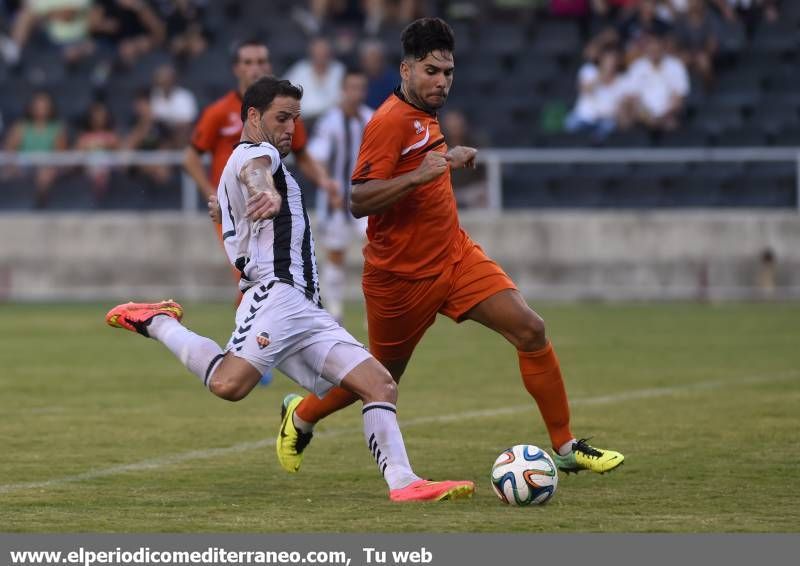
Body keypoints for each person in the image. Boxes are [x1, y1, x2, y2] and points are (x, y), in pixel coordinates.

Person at [276, 17, 625, 476]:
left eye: (448, 73)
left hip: (455, 257)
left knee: (530, 329)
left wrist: (444, 162)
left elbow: (424, 166)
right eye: (431, 72)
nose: (442, 82)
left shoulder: (424, 114)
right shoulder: (388, 122)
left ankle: (564, 445)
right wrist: (426, 171)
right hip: (400, 278)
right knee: (382, 378)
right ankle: (302, 415)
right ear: (405, 70)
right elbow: (360, 198)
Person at [105, 76, 474, 502]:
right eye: (282, 118)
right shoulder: (254, 154)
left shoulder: (248, 164)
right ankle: (158, 322)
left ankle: (404, 483)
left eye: (295, 120)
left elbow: (236, 226)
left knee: (379, 383)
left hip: (304, 307)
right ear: (253, 117)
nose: (289, 129)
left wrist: (229, 212)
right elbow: (255, 171)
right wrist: (267, 193)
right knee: (230, 385)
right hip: (276, 297)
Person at [307, 69, 374, 323]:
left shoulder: (371, 118)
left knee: (375, 252)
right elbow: (317, 158)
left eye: (360, 88)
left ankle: (374, 311)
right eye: (351, 88)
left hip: (365, 200)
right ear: (343, 90)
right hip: (335, 201)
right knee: (336, 254)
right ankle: (334, 312)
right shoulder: (330, 122)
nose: (356, 93)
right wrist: (328, 186)